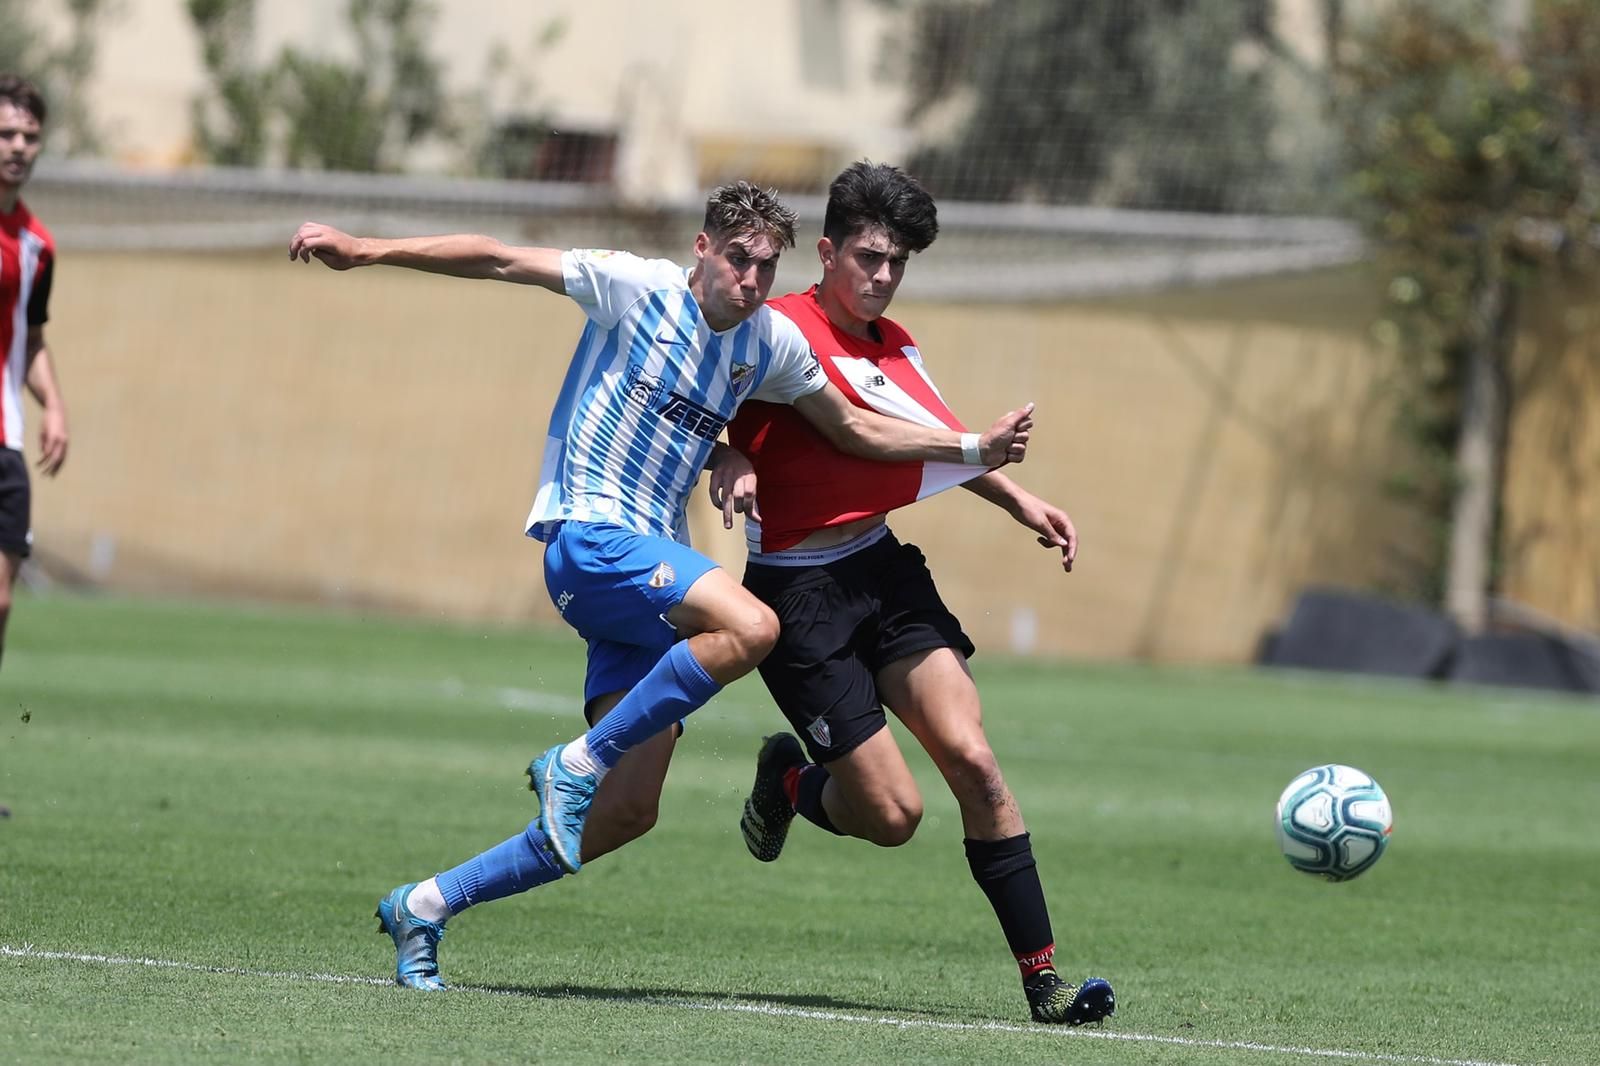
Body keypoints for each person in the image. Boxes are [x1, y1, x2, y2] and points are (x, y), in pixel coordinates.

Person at [288, 181, 1037, 990]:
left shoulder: (767, 343)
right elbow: (501, 258)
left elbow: (854, 426)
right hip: (589, 536)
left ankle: (426, 906)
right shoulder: (632, 286)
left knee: (624, 814)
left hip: (652, 572)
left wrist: (966, 450)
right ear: (703, 251)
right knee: (753, 627)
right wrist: (366, 249)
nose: (751, 282)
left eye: (764, 267)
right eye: (739, 260)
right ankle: (576, 759)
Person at [716, 162, 1114, 1026]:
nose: (884, 277)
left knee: (973, 758)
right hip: (800, 596)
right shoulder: (771, 329)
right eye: (869, 257)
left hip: (883, 572)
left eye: (897, 263)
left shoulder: (895, 345)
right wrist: (732, 455)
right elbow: (702, 416)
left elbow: (928, 444)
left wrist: (1020, 502)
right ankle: (786, 780)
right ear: (825, 251)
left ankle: (1043, 984)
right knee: (894, 816)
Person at [0, 75, 70, 674]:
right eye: (6, 134)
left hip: (6, 438)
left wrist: (55, 406)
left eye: (29, 136)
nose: (18, 146)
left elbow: (31, 337)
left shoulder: (37, 245)